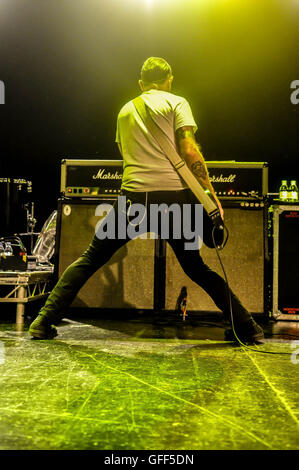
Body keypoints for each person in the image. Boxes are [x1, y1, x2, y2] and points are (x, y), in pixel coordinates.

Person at [29, 57, 264, 343]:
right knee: (196, 268)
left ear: (141, 84)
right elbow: (189, 151)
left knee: (90, 259)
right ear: (170, 79)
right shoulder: (178, 103)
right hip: (174, 203)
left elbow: (126, 154)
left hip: (133, 201)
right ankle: (246, 326)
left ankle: (43, 322)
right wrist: (211, 197)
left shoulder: (125, 110)